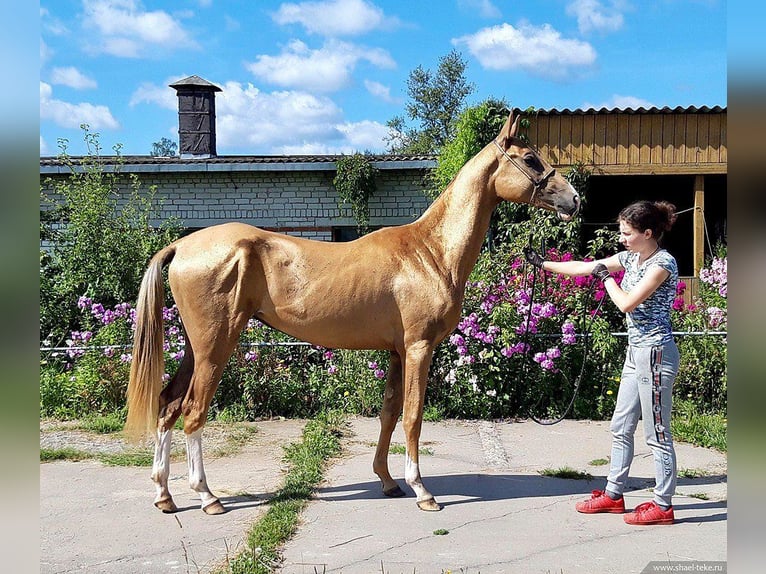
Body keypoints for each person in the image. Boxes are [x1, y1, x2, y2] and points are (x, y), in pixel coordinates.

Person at [524, 200, 680, 526]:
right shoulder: (630, 257)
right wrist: (544, 265)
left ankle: (663, 505)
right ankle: (613, 495)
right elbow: (585, 265)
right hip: (635, 353)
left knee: (657, 434)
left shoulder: (662, 264)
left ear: (647, 233)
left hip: (656, 353)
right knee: (620, 426)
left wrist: (605, 278)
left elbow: (626, 303)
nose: (621, 238)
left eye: (627, 233)